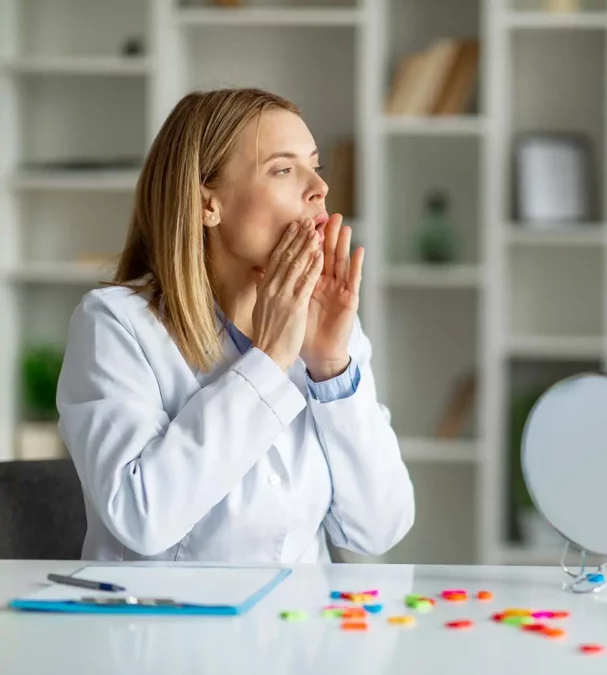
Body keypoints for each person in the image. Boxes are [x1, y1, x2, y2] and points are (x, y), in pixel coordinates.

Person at [56, 88, 414, 562]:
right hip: (161, 612)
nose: (319, 188)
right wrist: (269, 360)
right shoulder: (114, 324)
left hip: (301, 612)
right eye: (283, 169)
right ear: (208, 204)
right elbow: (142, 517)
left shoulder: (326, 327)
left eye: (316, 166)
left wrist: (331, 368)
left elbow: (380, 529)